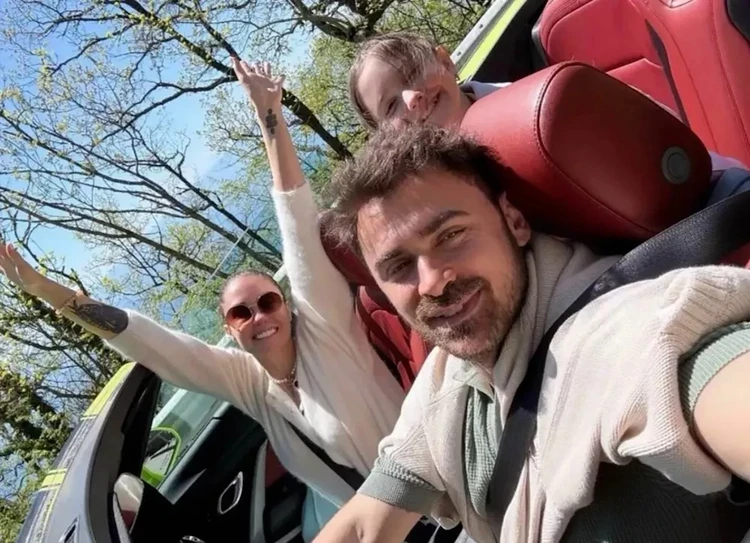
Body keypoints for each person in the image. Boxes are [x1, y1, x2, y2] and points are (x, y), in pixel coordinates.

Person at [0, 59, 407, 542]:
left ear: (287, 304)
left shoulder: (326, 327)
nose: (259, 316)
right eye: (241, 312)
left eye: (268, 301)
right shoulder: (250, 385)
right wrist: (48, 292)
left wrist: (269, 115)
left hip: (438, 494)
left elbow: (297, 221)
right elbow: (149, 341)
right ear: (230, 328)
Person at [314, 123, 750, 542]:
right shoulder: (445, 379)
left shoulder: (630, 332)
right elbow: (363, 526)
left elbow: (690, 364)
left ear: (514, 221)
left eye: (451, 235)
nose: (432, 282)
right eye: (399, 266)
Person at [346, 31, 748, 173]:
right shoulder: (437, 196)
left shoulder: (548, 106)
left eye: (413, 72)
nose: (412, 97)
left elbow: (667, 140)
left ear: (446, 61)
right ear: (382, 137)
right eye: (390, 106)